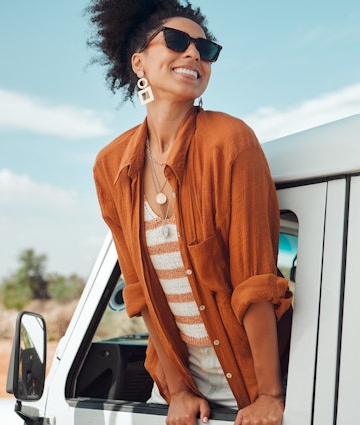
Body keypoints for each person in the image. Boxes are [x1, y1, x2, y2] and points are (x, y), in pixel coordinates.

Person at [87, 1, 292, 424]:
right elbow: (141, 292)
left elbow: (256, 282)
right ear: (139, 61)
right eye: (177, 42)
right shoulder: (110, 166)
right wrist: (177, 392)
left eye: (206, 48)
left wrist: (268, 396)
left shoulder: (231, 141)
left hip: (251, 390)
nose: (194, 54)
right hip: (180, 393)